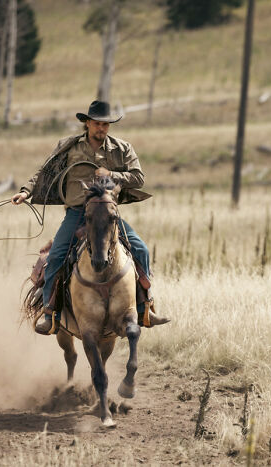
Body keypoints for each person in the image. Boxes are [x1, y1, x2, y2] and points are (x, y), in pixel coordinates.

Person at [12, 100, 169, 335]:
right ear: (87, 123)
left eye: (106, 125)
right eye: (97, 124)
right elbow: (44, 172)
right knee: (55, 257)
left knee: (141, 250)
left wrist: (112, 174)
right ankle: (50, 312)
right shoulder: (68, 147)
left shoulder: (122, 148)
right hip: (77, 213)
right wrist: (25, 191)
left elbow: (138, 178)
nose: (102, 129)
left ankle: (145, 307)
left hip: (107, 214)